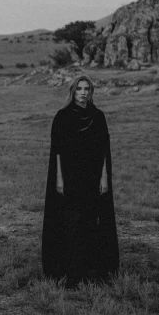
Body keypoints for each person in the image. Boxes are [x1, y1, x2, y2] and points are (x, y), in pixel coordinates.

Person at [42, 75, 119, 287]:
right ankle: (70, 270)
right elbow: (56, 152)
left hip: (93, 177)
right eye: (79, 89)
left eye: (87, 89)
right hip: (70, 176)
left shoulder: (98, 116)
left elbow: (104, 150)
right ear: (73, 91)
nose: (83, 92)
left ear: (91, 91)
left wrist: (104, 177)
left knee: (89, 221)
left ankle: (90, 269)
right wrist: (59, 178)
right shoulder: (62, 116)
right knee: (70, 222)